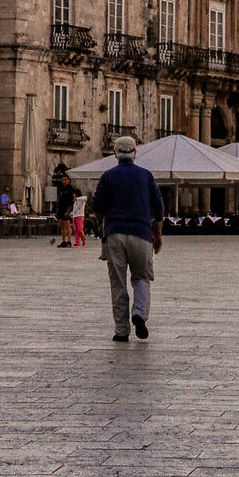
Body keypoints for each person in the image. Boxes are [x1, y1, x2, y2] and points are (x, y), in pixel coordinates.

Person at [94, 136, 163, 341]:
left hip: (114, 233)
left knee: (118, 283)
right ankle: (139, 314)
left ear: (115, 153)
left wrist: (101, 225)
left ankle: (121, 331)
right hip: (142, 233)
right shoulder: (146, 175)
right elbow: (158, 207)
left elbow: (97, 206)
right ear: (135, 153)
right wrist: (158, 233)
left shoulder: (108, 176)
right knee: (142, 278)